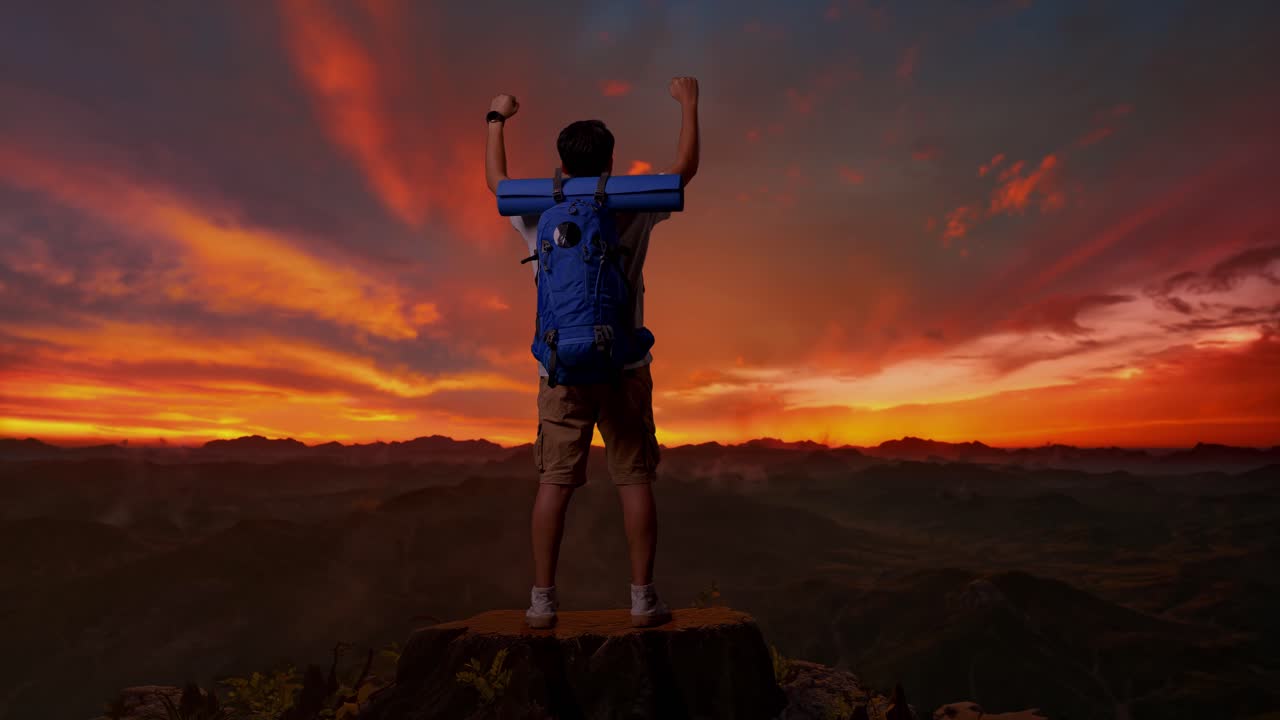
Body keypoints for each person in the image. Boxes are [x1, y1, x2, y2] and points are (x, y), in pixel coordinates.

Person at [484, 76, 700, 629]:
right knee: (633, 478)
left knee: (554, 483)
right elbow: (683, 173)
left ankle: (541, 602)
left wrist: (496, 117)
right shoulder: (632, 208)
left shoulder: (538, 211)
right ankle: (642, 599)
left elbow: (496, 182)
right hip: (625, 365)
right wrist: (688, 103)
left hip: (559, 369)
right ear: (610, 161)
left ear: (561, 162)